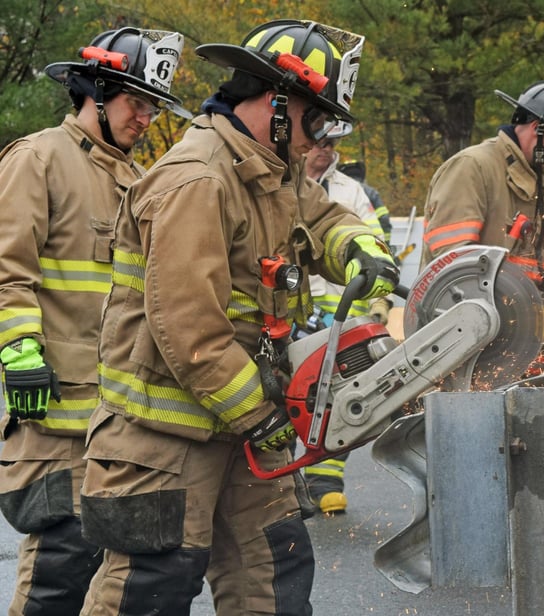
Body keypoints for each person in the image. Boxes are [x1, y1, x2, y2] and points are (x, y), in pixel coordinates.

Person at [76, 20, 398, 614]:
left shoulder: (269, 171)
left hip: (243, 425)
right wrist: (257, 413)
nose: (318, 138)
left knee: (273, 574)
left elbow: (323, 218)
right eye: (315, 119)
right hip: (164, 439)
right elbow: (187, 324)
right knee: (152, 586)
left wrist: (359, 244)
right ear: (276, 102)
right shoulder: (196, 180)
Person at [0, 27, 188, 615]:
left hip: (116, 414)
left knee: (108, 565)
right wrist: (19, 349)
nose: (147, 117)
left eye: (153, 105)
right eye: (137, 101)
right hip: (54, 408)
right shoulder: (38, 160)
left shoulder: (136, 180)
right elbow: (8, 267)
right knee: (60, 559)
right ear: (95, 92)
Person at [422, 80, 544, 320]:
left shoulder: (539, 190)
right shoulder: (472, 168)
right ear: (537, 128)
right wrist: (518, 298)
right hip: (459, 331)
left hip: (515, 331)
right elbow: (457, 266)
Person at [301, 122, 392, 514]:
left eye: (332, 144)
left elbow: (376, 244)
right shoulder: (278, 182)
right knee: (289, 400)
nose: (325, 150)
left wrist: (380, 302)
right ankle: (287, 482)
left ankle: (324, 481)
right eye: (319, 142)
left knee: (340, 399)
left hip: (343, 310)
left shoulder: (350, 192)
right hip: (296, 308)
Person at [340, 158, 391, 244]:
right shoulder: (371, 192)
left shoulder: (337, 192)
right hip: (372, 243)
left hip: (345, 243)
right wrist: (386, 244)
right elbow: (384, 218)